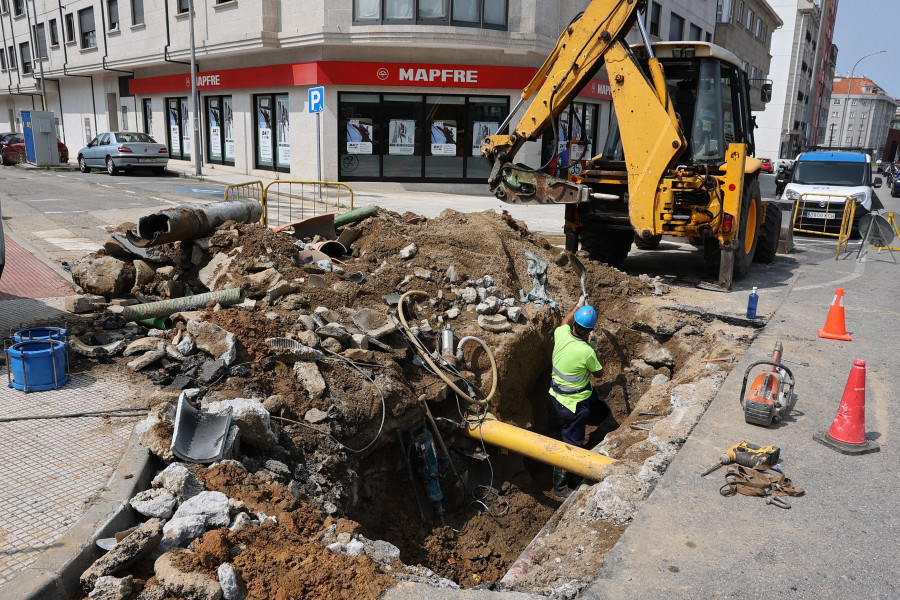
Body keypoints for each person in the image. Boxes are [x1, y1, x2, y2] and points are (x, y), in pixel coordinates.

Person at [548, 297, 610, 498]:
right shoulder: (586, 352)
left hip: (556, 395)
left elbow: (564, 322)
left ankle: (590, 418)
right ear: (590, 331)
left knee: (593, 394)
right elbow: (599, 374)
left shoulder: (561, 333)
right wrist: (592, 348)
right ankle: (560, 487)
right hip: (573, 404)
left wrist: (578, 304)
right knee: (572, 443)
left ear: (575, 323)